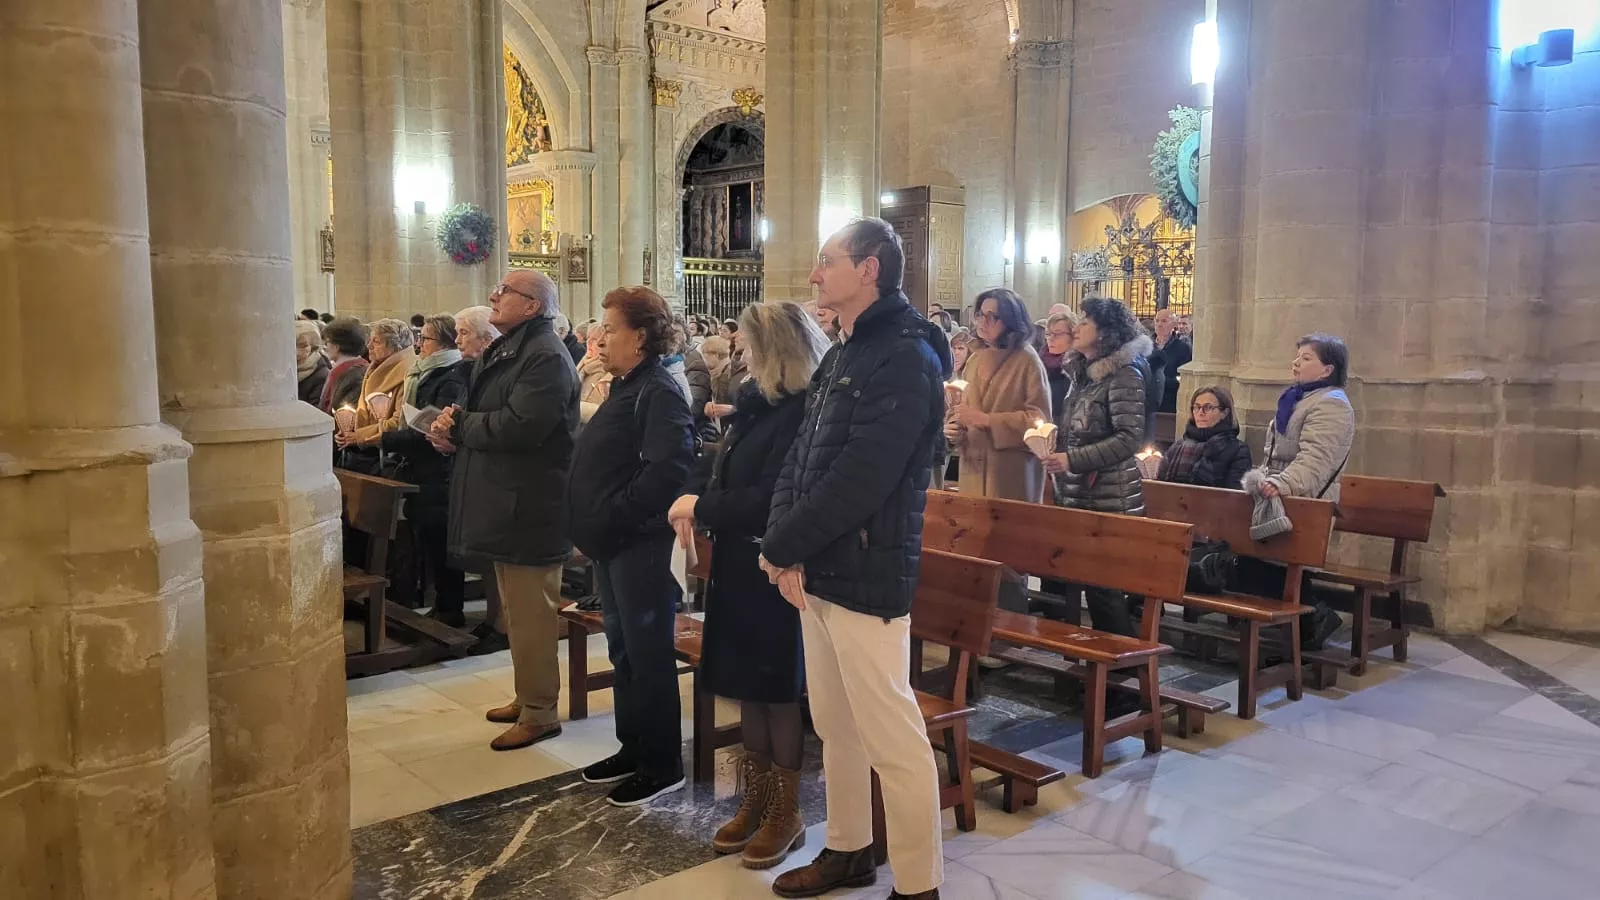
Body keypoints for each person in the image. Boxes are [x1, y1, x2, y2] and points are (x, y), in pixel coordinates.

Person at [761, 218, 949, 900]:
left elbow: (862, 478)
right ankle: (847, 849)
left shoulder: (905, 355)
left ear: (869, 269)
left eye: (827, 261)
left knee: (891, 736)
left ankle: (920, 884)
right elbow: (802, 458)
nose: (815, 274)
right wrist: (780, 545)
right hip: (819, 568)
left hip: (868, 570)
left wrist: (784, 546)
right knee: (835, 725)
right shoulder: (842, 352)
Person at [669, 302, 828, 869]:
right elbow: (727, 471)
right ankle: (756, 801)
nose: (741, 356)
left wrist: (701, 503)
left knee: (776, 687)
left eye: (750, 348)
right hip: (739, 563)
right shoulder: (758, 407)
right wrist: (700, 500)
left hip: (776, 565)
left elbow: (769, 497)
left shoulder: (801, 413)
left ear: (777, 352)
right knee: (746, 683)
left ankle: (787, 813)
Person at [430, 271, 579, 751]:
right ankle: (527, 695)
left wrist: (462, 425)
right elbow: (489, 412)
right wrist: (454, 426)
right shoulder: (512, 347)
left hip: (530, 504)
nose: (495, 296)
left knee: (533, 615)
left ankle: (541, 711)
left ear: (533, 306)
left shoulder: (546, 357)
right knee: (516, 613)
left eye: (506, 291)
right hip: (508, 498)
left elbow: (520, 427)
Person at [568, 286, 697, 807]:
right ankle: (633, 746)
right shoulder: (629, 383)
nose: (601, 338)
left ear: (640, 336)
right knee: (623, 651)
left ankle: (662, 763)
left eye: (611, 328)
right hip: (614, 543)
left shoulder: (659, 390)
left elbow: (669, 470)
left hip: (639, 544)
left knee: (647, 655)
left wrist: (614, 514)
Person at [1042, 296, 1150, 638]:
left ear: (1105, 333)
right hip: (1079, 494)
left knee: (1106, 594)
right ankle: (1094, 676)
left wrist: (1072, 459)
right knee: (1088, 589)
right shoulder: (1083, 374)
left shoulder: (1123, 375)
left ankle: (1125, 676)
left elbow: (1128, 438)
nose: (1077, 328)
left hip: (1110, 497)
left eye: (1085, 322)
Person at [1247, 333, 1355, 649]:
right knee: (1264, 570)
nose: (1296, 362)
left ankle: (1313, 624)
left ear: (1327, 370)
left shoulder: (1332, 405)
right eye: (1297, 356)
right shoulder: (1297, 398)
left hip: (1305, 502)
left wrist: (1280, 484)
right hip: (1280, 497)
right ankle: (1301, 630)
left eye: (1306, 358)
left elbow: (1316, 460)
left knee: (1288, 572)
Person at [381, 314, 469, 625]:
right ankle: (439, 605)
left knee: (442, 545)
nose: (420, 345)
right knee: (429, 541)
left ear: (444, 342)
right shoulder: (424, 372)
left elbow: (432, 426)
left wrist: (382, 437)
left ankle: (450, 609)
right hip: (420, 469)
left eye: (427, 339)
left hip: (438, 470)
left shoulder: (451, 376)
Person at [945, 289, 1051, 508]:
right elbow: (961, 410)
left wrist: (987, 420)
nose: (983, 321)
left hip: (1010, 479)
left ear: (1011, 321)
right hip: (972, 474)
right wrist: (953, 429)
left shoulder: (1027, 361)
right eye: (980, 315)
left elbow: (1040, 424)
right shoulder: (974, 360)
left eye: (992, 316)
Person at [452, 304, 508, 653]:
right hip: (479, 466)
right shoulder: (478, 368)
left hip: (501, 476)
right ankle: (492, 619)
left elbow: (507, 421)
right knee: (489, 558)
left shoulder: (502, 368)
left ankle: (503, 625)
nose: (456, 340)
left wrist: (460, 424)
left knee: (501, 558)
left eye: (463, 333)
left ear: (487, 338)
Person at [334, 318, 416, 471]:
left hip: (387, 456)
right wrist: (348, 430)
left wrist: (358, 436)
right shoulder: (376, 368)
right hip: (367, 453)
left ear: (395, 348)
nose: (368, 346)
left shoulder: (406, 373)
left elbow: (398, 423)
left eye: (376, 342)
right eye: (369, 340)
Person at [1157, 385, 1252, 489]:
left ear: (1224, 413)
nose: (1200, 413)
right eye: (1196, 407)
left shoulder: (1237, 450)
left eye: (1208, 407)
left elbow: (1235, 496)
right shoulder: (1178, 446)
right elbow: (1159, 483)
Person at [319, 317, 369, 412]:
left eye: (328, 342)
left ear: (337, 346)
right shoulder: (360, 367)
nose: (326, 346)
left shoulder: (346, 373)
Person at [1152, 308, 1192, 413]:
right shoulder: (1147, 346)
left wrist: (1162, 380)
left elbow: (1183, 379)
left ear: (1174, 325)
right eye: (1157, 321)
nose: (1159, 324)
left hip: (1169, 402)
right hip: (1148, 403)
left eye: (1164, 321)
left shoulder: (1182, 348)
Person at [1041, 310, 1078, 420]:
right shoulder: (1039, 364)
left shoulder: (1077, 368)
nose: (1051, 339)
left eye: (1058, 334)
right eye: (1048, 334)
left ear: (1072, 336)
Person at [577, 322, 611, 425]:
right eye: (588, 339)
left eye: (595, 340)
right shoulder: (582, 367)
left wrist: (574, 408)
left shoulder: (610, 375)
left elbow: (605, 414)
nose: (589, 343)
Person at [295, 319, 330, 407]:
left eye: (303, 345)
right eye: (293, 344)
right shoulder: (285, 369)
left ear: (313, 346)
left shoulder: (321, 375)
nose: (296, 351)